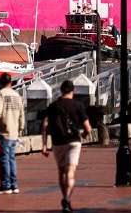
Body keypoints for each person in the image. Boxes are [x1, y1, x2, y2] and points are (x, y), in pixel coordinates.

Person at [41, 80, 93, 213]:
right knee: (70, 171)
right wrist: (84, 135)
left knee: (61, 172)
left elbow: (45, 125)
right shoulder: (78, 105)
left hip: (58, 142)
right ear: (73, 91)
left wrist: (44, 145)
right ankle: (67, 198)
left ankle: (64, 197)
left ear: (61, 90)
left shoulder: (53, 106)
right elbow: (88, 128)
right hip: (73, 141)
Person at [0, 72, 25, 195]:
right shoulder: (17, 95)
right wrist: (20, 128)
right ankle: (14, 185)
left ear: (0, 82)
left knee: (4, 160)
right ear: (11, 82)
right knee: (12, 159)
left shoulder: (0, 94)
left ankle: (6, 185)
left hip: (3, 131)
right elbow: (22, 114)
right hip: (14, 132)